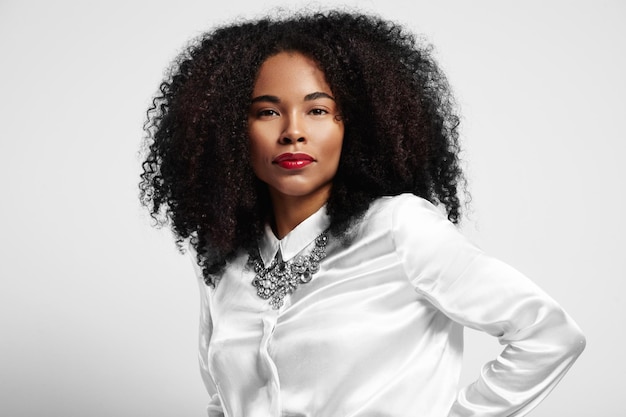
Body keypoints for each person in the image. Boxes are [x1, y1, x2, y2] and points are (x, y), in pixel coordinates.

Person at [139, 10, 585, 417]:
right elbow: (223, 401)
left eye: (318, 110)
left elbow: (548, 335)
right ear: (229, 131)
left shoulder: (399, 229)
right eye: (268, 111)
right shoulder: (218, 256)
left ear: (357, 124)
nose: (293, 131)